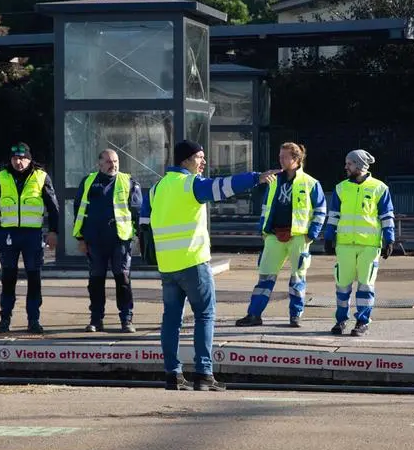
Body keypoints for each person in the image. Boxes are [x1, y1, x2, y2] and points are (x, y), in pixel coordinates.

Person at [140, 140, 279, 391]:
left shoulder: (157, 187)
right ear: (185, 160)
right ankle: (204, 374)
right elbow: (223, 186)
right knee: (205, 315)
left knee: (171, 320)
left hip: (168, 266)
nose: (204, 162)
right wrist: (257, 177)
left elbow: (145, 221)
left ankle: (173, 374)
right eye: (200, 157)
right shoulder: (190, 184)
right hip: (193, 262)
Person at [236, 142, 326, 328]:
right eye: (280, 156)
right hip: (274, 236)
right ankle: (254, 315)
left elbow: (321, 209)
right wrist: (264, 231)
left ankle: (295, 316)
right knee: (265, 277)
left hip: (298, 237)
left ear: (296, 159)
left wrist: (312, 234)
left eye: (285, 157)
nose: (281, 160)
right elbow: (266, 207)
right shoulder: (274, 179)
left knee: (297, 278)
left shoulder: (310, 183)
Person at [0, 142, 60, 334]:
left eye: (22, 158)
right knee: (8, 278)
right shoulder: (2, 176)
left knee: (34, 278)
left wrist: (53, 231)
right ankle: (5, 319)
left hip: (32, 235)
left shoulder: (41, 176)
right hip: (9, 235)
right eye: (15, 158)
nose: (18, 162)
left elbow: (53, 207)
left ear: (29, 158)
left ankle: (33, 320)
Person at [324, 149, 395, 337]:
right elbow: (334, 216)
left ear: (360, 165)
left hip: (369, 246)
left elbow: (387, 216)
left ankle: (362, 322)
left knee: (365, 285)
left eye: (350, 163)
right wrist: (328, 236)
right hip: (345, 245)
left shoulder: (380, 188)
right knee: (342, 285)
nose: (346, 166)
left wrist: (389, 239)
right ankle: (341, 320)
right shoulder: (341, 188)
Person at [72, 149, 142, 334]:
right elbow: (79, 211)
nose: (113, 165)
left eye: (116, 161)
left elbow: (137, 211)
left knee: (123, 280)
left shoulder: (128, 181)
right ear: (100, 164)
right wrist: (80, 238)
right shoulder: (89, 182)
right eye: (109, 161)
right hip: (94, 240)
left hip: (120, 240)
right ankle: (96, 320)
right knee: (96, 281)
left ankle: (126, 320)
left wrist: (138, 237)